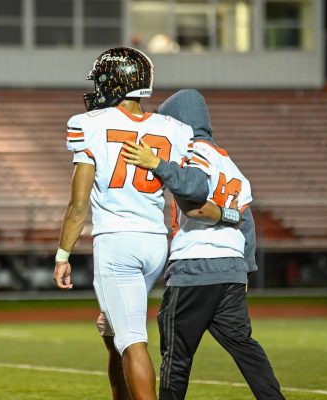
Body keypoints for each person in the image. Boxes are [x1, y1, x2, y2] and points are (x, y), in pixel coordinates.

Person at [52, 49, 233, 400]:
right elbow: (185, 184)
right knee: (112, 329)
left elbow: (78, 205)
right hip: (155, 242)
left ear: (115, 83)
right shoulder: (175, 130)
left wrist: (63, 254)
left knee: (132, 339)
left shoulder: (88, 124)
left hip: (117, 241)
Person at [122, 89, 285, 400]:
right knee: (245, 347)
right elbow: (246, 221)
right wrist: (245, 270)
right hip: (232, 270)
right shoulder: (230, 162)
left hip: (195, 266)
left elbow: (193, 198)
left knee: (177, 354)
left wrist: (157, 163)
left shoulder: (190, 154)